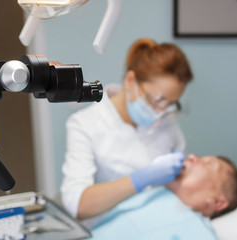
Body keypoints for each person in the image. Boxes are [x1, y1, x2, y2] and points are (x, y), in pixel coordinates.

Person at [60, 38, 194, 227]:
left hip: (160, 224)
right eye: (157, 99)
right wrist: (141, 178)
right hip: (109, 229)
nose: (161, 111)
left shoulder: (167, 119)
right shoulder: (84, 124)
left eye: (171, 103)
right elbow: (78, 205)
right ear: (130, 80)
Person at [89, 154, 237, 239]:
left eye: (208, 164)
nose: (192, 156)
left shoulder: (199, 234)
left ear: (218, 202)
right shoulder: (149, 196)